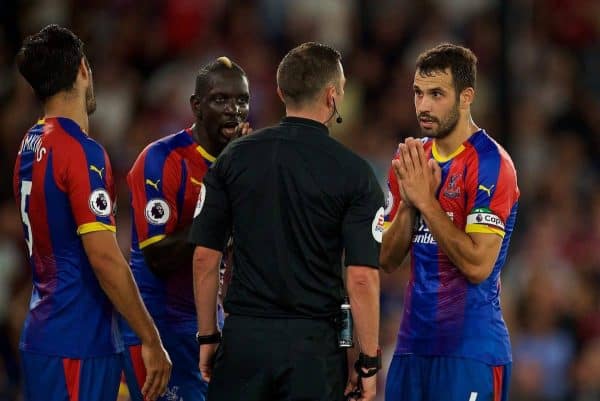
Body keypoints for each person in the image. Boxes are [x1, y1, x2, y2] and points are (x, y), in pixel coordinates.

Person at [189, 42, 383, 401]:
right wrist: (367, 362)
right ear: (332, 96)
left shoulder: (233, 157)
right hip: (313, 351)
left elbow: (205, 258)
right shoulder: (356, 174)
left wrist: (208, 336)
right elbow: (361, 276)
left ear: (280, 92)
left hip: (244, 341)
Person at [13, 24, 171, 401]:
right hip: (78, 342)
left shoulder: (29, 142)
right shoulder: (81, 151)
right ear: (84, 68)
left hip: (45, 333)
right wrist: (150, 338)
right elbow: (103, 257)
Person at [380, 43, 518, 401]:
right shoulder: (410, 159)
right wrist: (410, 205)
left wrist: (426, 201)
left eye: (437, 94)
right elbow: (387, 260)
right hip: (411, 346)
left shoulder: (491, 163)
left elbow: (477, 265)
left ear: (466, 96)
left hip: (470, 350)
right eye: (418, 93)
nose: (423, 105)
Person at [119, 56, 251, 401]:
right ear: (196, 105)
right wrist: (225, 202)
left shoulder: (246, 163)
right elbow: (157, 257)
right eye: (220, 100)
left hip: (211, 326)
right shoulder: (161, 159)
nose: (233, 110)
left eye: (241, 100)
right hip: (158, 329)